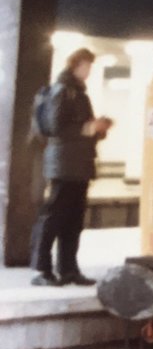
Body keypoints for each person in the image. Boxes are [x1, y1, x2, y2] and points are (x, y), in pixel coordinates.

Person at [30, 48, 113, 286]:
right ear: (76, 65)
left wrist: (98, 129)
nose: (89, 71)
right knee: (53, 217)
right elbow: (56, 127)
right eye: (87, 65)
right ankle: (42, 270)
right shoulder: (62, 91)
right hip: (63, 165)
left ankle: (69, 269)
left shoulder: (80, 94)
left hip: (79, 165)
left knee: (74, 221)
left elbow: (83, 130)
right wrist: (87, 129)